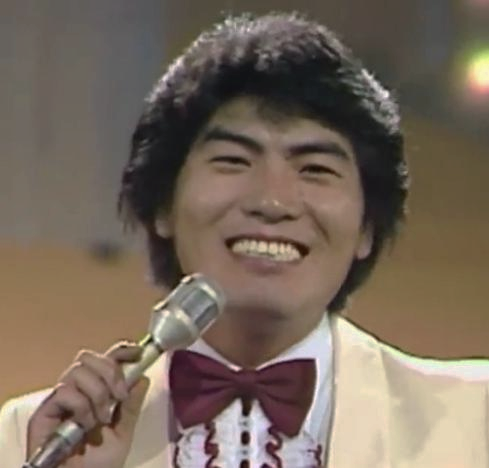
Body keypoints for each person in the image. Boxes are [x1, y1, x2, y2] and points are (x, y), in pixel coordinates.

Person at [1, 12, 488, 468]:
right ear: (165, 204)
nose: (272, 201)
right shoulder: (30, 438)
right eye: (233, 161)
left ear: (366, 227)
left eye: (316, 169)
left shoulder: (475, 419)